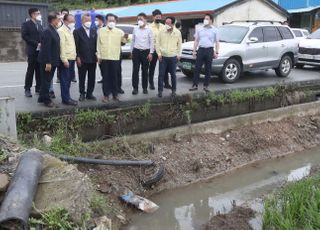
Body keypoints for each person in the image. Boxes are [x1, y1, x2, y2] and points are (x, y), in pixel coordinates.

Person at [97, 13, 128, 102]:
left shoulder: (120, 32)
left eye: (113, 20)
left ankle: (115, 95)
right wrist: (98, 56)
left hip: (115, 58)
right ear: (106, 21)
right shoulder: (101, 31)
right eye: (109, 20)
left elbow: (123, 42)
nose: (111, 22)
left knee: (114, 77)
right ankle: (106, 95)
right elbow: (98, 45)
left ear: (115, 21)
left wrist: (126, 38)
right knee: (105, 77)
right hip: (104, 57)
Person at [190, 14, 219, 92]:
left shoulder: (215, 30)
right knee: (197, 68)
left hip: (210, 50)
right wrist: (194, 51)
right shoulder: (199, 29)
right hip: (201, 49)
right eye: (204, 19)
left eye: (207, 19)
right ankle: (195, 85)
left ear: (211, 21)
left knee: (208, 69)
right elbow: (196, 40)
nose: (205, 20)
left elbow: (217, 42)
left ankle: (206, 86)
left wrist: (216, 52)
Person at [37, 12, 60, 108]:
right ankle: (47, 100)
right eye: (58, 19)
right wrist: (48, 62)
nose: (59, 21)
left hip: (52, 59)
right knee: (46, 81)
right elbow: (46, 48)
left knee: (46, 80)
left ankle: (41, 97)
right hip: (47, 61)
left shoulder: (53, 29)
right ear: (53, 20)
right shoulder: (48, 31)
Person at [156, 16, 182, 98]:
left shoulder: (177, 33)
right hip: (163, 57)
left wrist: (178, 54)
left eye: (168, 23)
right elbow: (157, 43)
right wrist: (159, 54)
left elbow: (180, 45)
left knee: (173, 75)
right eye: (165, 23)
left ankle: (173, 91)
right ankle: (160, 91)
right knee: (161, 74)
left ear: (173, 24)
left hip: (173, 57)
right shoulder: (161, 31)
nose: (166, 24)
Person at [74, 13, 97, 101]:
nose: (88, 22)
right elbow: (76, 46)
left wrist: (97, 55)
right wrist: (78, 57)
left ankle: (89, 93)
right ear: (82, 21)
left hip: (92, 58)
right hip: (82, 59)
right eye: (86, 20)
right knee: (82, 77)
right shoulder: (77, 31)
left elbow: (96, 45)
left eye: (90, 20)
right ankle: (82, 94)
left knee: (92, 77)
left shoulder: (94, 31)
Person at [21, 8, 43, 98]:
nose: (39, 15)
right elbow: (24, 36)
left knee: (39, 70)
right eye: (38, 13)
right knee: (30, 70)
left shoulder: (40, 24)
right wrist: (36, 43)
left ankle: (38, 88)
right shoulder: (26, 24)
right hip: (32, 50)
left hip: (40, 51)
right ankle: (27, 89)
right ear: (32, 14)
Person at [131, 12, 153, 95]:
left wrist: (151, 53)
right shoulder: (135, 29)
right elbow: (133, 40)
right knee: (135, 71)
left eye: (141, 19)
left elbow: (151, 42)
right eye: (138, 19)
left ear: (145, 20)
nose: (139, 20)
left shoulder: (149, 29)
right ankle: (135, 88)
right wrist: (131, 51)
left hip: (146, 52)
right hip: (136, 51)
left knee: (145, 71)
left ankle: (144, 88)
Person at [58, 14, 78, 106]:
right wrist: (64, 59)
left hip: (72, 58)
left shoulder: (70, 30)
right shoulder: (61, 31)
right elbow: (62, 46)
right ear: (65, 21)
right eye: (71, 21)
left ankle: (68, 97)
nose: (73, 23)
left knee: (69, 79)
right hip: (66, 59)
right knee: (65, 80)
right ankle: (65, 99)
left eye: (73, 21)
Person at [149, 9, 165, 90]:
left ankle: (166, 82)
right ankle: (151, 83)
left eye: (160, 17)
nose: (158, 18)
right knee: (152, 67)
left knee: (164, 68)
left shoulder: (163, 27)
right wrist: (150, 52)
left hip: (162, 50)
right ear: (153, 17)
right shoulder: (149, 27)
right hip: (154, 50)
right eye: (157, 17)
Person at [95, 14, 105, 84]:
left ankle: (107, 78)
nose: (95, 22)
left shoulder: (106, 28)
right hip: (98, 51)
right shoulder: (96, 29)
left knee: (106, 67)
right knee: (101, 65)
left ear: (101, 20)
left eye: (96, 20)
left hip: (105, 51)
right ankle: (103, 77)